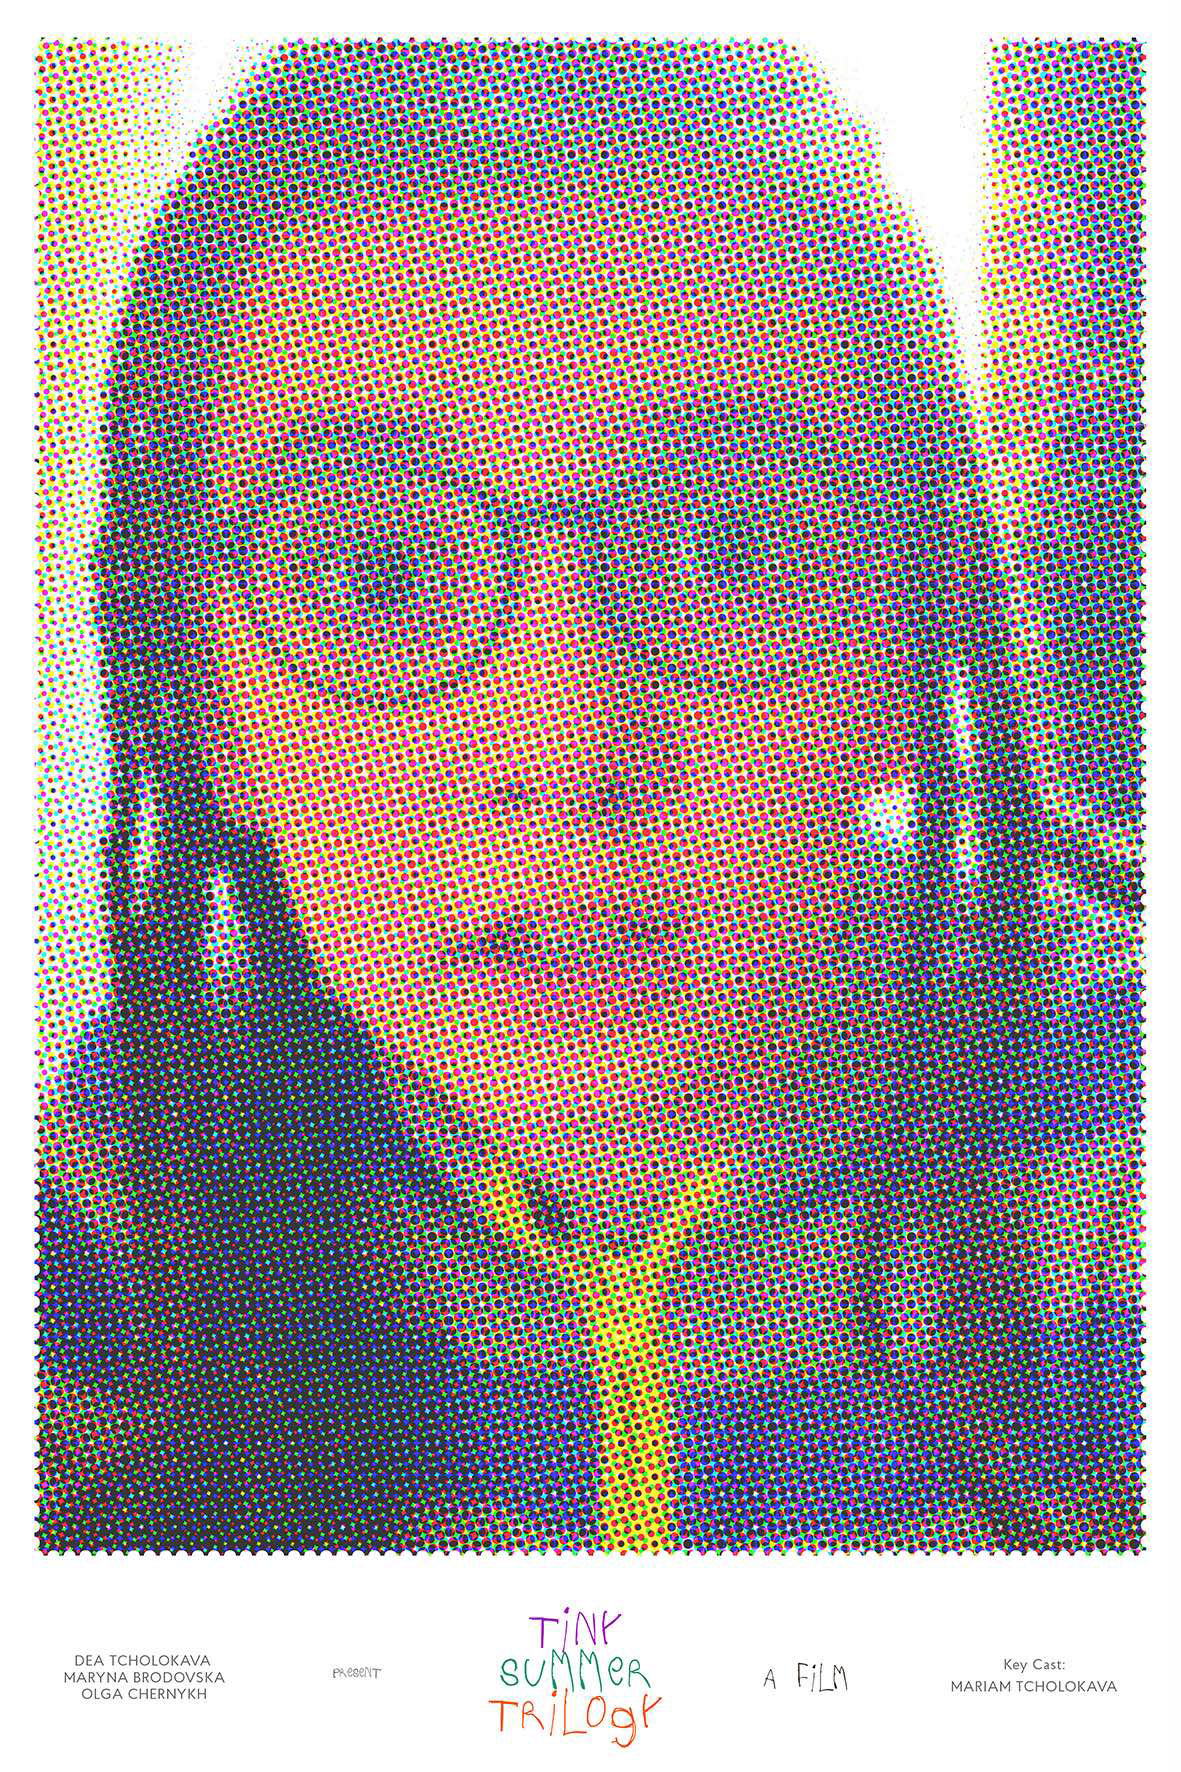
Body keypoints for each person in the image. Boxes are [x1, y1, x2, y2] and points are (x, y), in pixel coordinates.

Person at [37, 41, 1141, 1553]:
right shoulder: (131, 1188)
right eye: (372, 573)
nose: (564, 743)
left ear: (908, 645)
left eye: (730, 549)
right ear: (210, 704)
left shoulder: (1123, 1133)